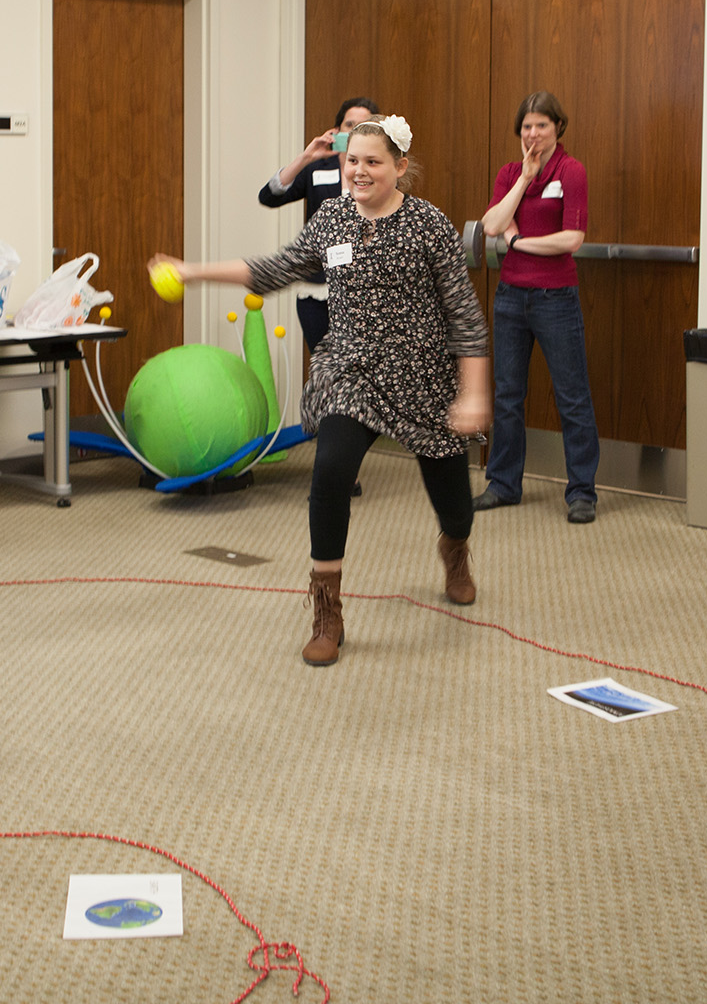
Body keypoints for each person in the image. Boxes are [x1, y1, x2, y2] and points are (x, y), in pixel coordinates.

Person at [153, 116, 490, 666]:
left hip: (422, 374)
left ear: (400, 168)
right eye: (351, 160)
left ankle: (455, 552)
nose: (359, 171)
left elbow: (466, 319)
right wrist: (192, 271)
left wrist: (472, 394)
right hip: (348, 371)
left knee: (453, 500)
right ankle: (327, 610)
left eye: (373, 161)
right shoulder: (331, 219)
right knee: (331, 468)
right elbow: (274, 268)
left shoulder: (429, 225)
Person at [472, 91, 599, 524]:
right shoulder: (510, 173)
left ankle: (582, 492)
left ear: (557, 128)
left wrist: (520, 241)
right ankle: (503, 484)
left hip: (555, 299)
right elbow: (492, 225)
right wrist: (525, 179)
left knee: (572, 397)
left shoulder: (572, 170)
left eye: (541, 125)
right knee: (508, 396)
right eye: (526, 126)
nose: (533, 133)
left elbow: (572, 239)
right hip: (510, 298)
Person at [258, 96, 379, 353]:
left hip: (365, 291)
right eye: (350, 125)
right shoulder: (317, 168)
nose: (356, 131)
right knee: (325, 366)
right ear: (337, 131)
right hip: (317, 288)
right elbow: (268, 197)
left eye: (364, 126)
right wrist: (306, 157)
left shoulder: (379, 171)